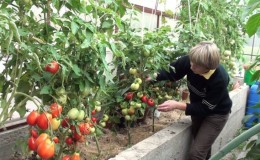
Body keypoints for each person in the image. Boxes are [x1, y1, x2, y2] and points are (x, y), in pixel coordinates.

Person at [154, 41, 232, 160]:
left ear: (208, 67)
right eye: (191, 61)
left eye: (196, 65)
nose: (191, 66)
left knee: (196, 154)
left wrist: (177, 105)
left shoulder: (219, 79)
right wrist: (153, 76)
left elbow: (205, 108)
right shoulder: (192, 61)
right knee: (202, 147)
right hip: (197, 109)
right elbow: (172, 72)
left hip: (216, 115)